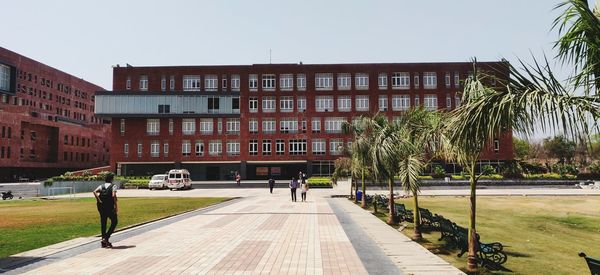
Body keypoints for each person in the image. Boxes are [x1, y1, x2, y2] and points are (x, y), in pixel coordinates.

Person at [93, 173, 118, 248]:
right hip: (109, 206)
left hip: (101, 206)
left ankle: (103, 242)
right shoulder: (113, 186)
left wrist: (99, 200)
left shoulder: (101, 186)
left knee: (103, 222)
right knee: (114, 221)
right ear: (111, 179)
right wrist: (116, 206)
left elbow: (94, 192)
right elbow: (113, 195)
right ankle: (106, 238)